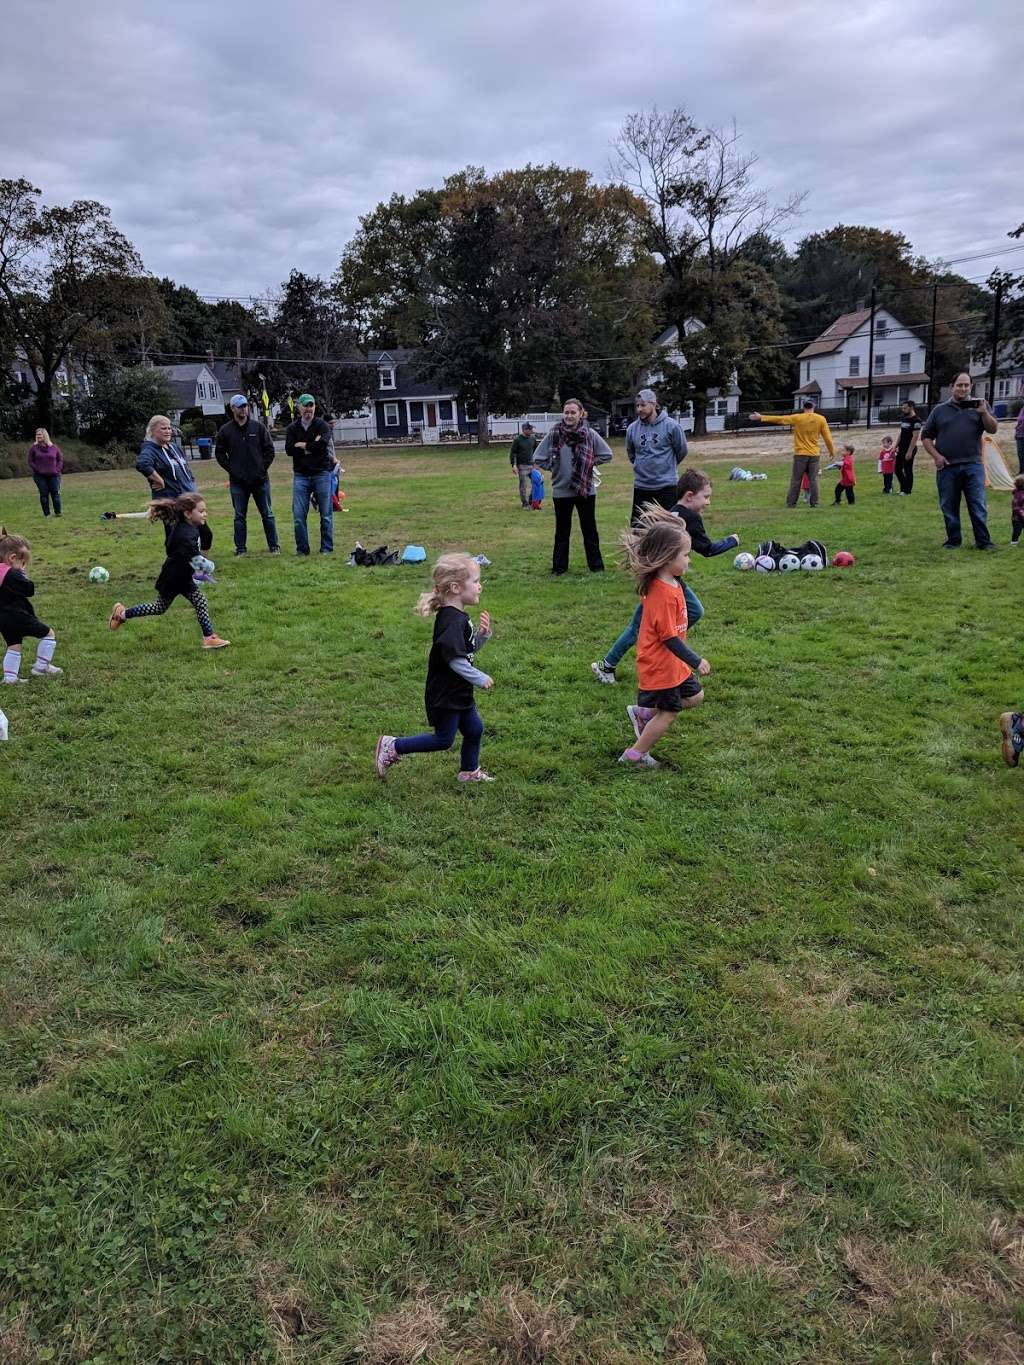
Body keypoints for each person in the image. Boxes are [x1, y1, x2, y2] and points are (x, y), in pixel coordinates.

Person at [591, 467, 737, 685]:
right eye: (705, 497)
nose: (708, 502)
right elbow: (707, 549)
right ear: (689, 495)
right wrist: (732, 541)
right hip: (663, 581)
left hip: (664, 577)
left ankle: (622, 657)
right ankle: (620, 659)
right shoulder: (690, 518)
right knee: (652, 622)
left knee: (649, 623)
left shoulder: (673, 512)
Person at [375, 553, 494, 783]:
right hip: (445, 694)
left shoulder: (459, 616)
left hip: (459, 690)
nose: (480, 587)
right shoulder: (450, 620)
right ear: (456, 587)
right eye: (476, 581)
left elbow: (466, 650)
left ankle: (469, 772)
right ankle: (393, 745)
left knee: (474, 729)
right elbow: (455, 661)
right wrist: (479, 677)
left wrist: (482, 636)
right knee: (443, 739)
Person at [617, 509, 708, 769]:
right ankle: (635, 756)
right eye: (686, 555)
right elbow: (669, 638)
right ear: (668, 558)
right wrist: (696, 659)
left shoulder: (673, 581)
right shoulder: (662, 593)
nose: (689, 560)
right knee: (669, 712)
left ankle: (644, 713)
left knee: (695, 696)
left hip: (672, 665)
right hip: (660, 666)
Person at [108, 494, 229, 649]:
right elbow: (196, 560)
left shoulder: (189, 527)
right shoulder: (185, 535)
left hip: (182, 577)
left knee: (200, 602)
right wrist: (209, 566)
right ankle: (121, 614)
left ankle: (209, 638)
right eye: (201, 511)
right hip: (173, 578)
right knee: (159, 608)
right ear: (188, 514)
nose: (205, 514)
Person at [532, 399, 613, 574]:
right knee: (562, 532)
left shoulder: (589, 434)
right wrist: (554, 466)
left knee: (590, 530)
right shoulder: (554, 433)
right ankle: (559, 568)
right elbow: (538, 457)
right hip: (561, 491)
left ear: (581, 414)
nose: (569, 416)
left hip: (586, 490)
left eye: (573, 412)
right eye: (566, 412)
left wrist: (590, 463)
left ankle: (596, 567)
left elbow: (607, 454)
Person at [920, 373, 997, 550]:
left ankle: (983, 541)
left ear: (971, 386)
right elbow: (926, 437)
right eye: (959, 385)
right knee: (949, 505)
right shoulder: (939, 411)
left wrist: (984, 413)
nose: (963, 389)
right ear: (952, 386)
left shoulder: (980, 407)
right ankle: (953, 540)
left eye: (966, 385)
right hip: (947, 466)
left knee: (977, 504)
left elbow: (993, 429)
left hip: (973, 465)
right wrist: (937, 456)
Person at [215, 394, 279, 556]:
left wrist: (261, 469)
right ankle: (241, 549)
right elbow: (220, 454)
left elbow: (269, 451)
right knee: (239, 516)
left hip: (260, 481)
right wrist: (233, 470)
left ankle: (274, 546)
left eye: (245, 406)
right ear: (232, 409)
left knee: (268, 514)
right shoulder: (225, 431)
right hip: (238, 483)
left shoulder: (258, 428)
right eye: (240, 406)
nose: (243, 409)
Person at [0, 530, 62, 683]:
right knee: (48, 634)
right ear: (12, 558)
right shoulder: (12, 574)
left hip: (2, 618)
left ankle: (10, 678)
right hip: (17, 615)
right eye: (23, 563)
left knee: (14, 646)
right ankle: (41, 667)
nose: (24, 567)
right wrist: (23, 576)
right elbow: (29, 590)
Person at [749, 400, 836, 507]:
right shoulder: (821, 419)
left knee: (796, 479)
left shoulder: (798, 417)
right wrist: (831, 451)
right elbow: (828, 438)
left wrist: (762, 417)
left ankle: (791, 503)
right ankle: (815, 503)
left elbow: (781, 419)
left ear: (803, 407)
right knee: (813, 480)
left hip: (800, 454)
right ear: (814, 407)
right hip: (814, 454)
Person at [285, 394, 338, 555]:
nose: (309, 409)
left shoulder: (322, 425)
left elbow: (322, 445)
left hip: (321, 473)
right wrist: (312, 445)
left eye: (311, 405)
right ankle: (302, 549)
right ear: (299, 407)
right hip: (301, 475)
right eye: (305, 405)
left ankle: (326, 548)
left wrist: (304, 446)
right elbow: (289, 450)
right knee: (299, 516)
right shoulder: (292, 429)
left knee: (326, 514)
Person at [626, 387, 687, 524]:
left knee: (669, 529)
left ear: (653, 404)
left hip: (667, 487)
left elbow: (681, 450)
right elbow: (631, 454)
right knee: (640, 529)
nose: (639, 409)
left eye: (643, 405)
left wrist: (666, 465)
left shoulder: (672, 426)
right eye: (637, 406)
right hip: (642, 487)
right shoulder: (632, 429)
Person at [136, 415, 198, 500]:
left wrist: (192, 484)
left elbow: (186, 468)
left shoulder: (174, 447)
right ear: (152, 430)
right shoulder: (150, 449)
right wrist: (158, 479)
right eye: (163, 428)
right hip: (169, 501)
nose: (168, 431)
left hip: (189, 498)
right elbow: (142, 464)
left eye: (169, 428)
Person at [26, 428, 64, 517]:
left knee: (55, 494)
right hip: (40, 476)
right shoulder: (33, 448)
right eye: (37, 434)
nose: (38, 436)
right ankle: (47, 514)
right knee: (44, 495)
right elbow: (30, 461)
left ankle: (58, 513)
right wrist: (37, 469)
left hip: (54, 475)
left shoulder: (54, 447)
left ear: (45, 435)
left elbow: (60, 459)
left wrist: (57, 469)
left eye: (40, 434)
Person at [894, 401, 922, 494]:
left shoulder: (917, 421)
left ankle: (907, 491)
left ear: (911, 407)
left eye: (905, 408)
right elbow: (901, 433)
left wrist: (910, 451)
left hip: (909, 448)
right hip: (901, 448)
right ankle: (903, 488)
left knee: (907, 469)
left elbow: (915, 436)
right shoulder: (904, 418)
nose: (903, 409)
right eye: (902, 408)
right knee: (897, 469)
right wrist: (895, 446)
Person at [509, 423, 538, 508]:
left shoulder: (533, 439)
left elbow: (537, 451)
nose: (532, 431)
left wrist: (537, 463)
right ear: (525, 430)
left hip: (532, 466)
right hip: (522, 466)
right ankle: (524, 503)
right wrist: (513, 465)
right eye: (531, 429)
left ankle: (531, 500)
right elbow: (513, 453)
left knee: (537, 482)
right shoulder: (517, 440)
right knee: (523, 485)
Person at [1011, 475, 1024, 546]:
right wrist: (1022, 513)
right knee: (1017, 531)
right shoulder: (1018, 495)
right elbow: (1016, 507)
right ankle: (1014, 542)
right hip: (1017, 518)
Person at [1015, 405, 1024, 475]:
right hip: (1019, 435)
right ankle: (1021, 471)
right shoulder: (1022, 408)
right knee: (1020, 454)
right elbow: (1019, 421)